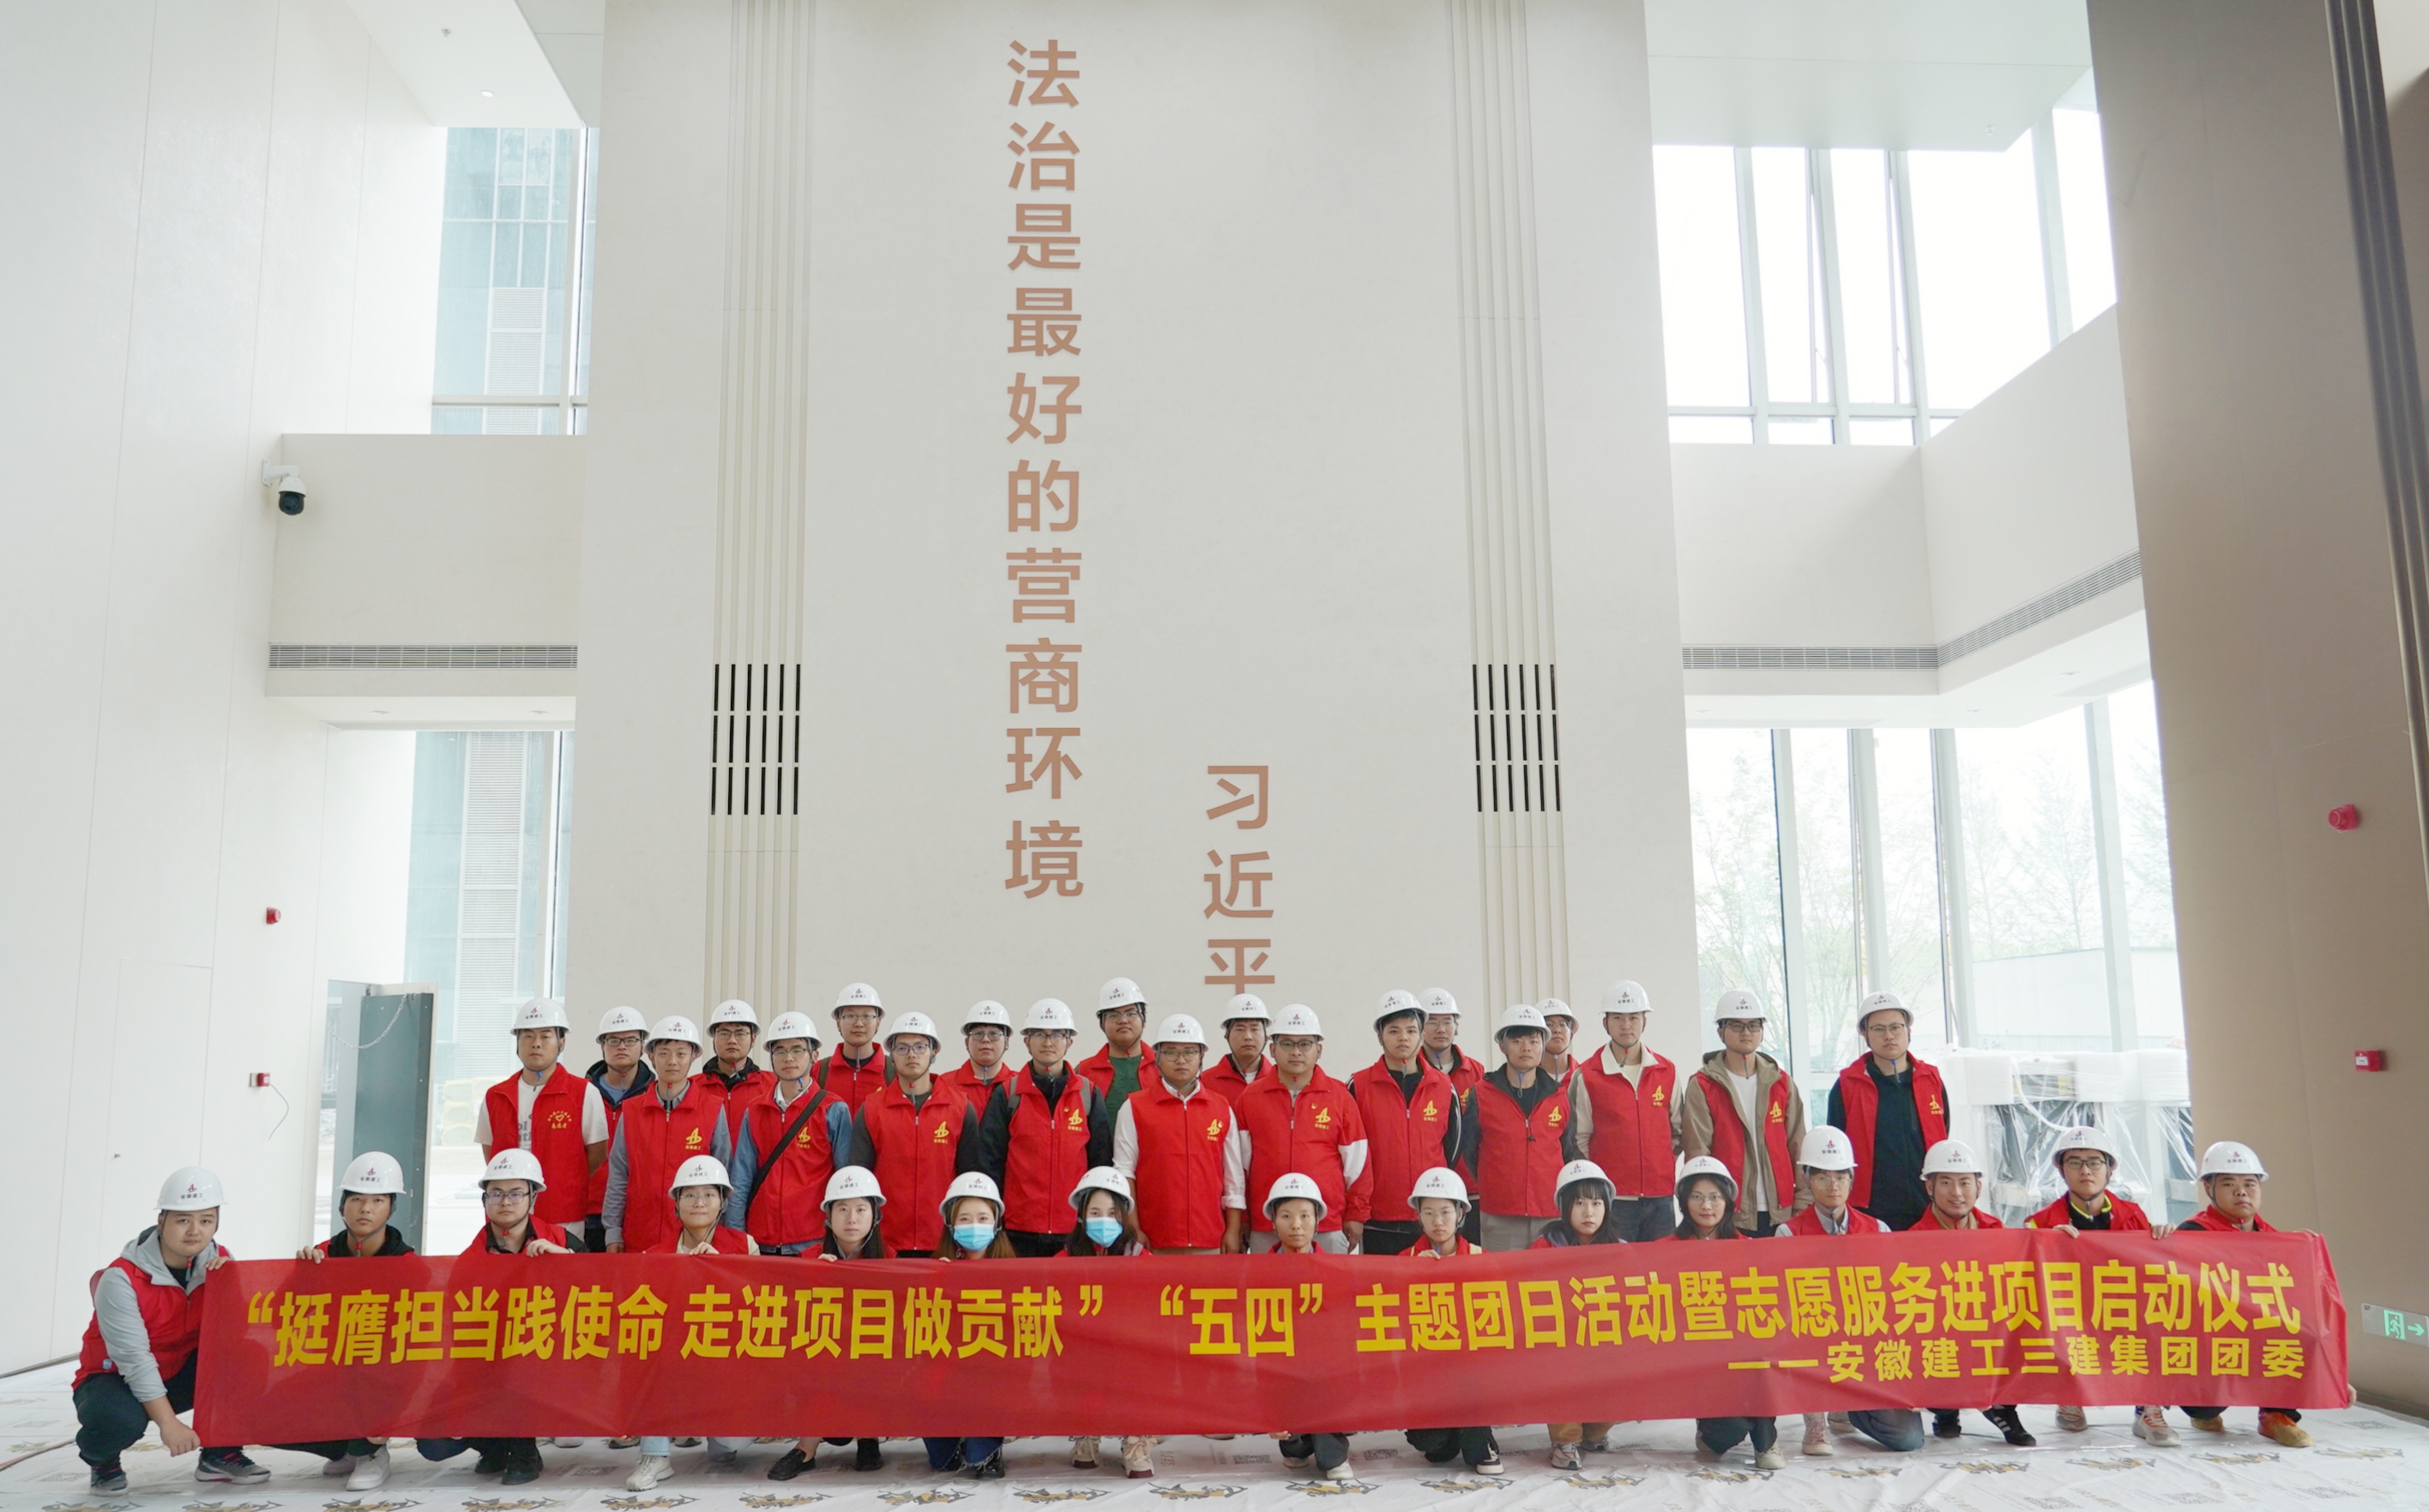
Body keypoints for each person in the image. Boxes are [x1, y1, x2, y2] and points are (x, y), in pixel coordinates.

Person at [73, 1167, 263, 1493]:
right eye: (183, 1220)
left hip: (177, 1370)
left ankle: (220, 1453)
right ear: (161, 1221)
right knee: (117, 1421)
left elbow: (232, 1335)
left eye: (206, 1220)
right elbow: (135, 1359)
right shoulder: (121, 1278)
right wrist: (168, 1423)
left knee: (250, 1356)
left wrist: (231, 1283)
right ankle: (103, 1460)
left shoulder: (220, 1263)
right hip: (114, 1378)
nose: (195, 1231)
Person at [417, 1151, 578, 1485]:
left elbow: (604, 1289)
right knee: (433, 1442)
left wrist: (565, 1259)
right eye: (496, 1193)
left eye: (516, 1193)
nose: (505, 1202)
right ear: (484, 1199)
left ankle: (522, 1449)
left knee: (522, 1371)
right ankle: (496, 1445)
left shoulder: (561, 1241)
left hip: (552, 1361)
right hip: (488, 1367)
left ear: (533, 1197)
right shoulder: (470, 1261)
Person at [2168, 1141, 2336, 1449]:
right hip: (2214, 1332)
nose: (2241, 1192)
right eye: (2229, 1184)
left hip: (2259, 1331)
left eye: (2250, 1184)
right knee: (2203, 1400)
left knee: (2300, 1331)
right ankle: (2203, 1411)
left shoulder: (2274, 1238)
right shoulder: (2192, 1233)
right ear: (2208, 1188)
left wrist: (2301, 1251)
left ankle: (2276, 1413)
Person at [1770, 1129, 1920, 1458]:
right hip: (1813, 1334)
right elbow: (1785, 1304)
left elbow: (1894, 1297)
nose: (1833, 1186)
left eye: (1841, 1177)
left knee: (1908, 1438)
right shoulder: (1788, 1234)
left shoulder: (1878, 1230)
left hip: (1865, 1339)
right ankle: (1816, 1417)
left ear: (1852, 1179)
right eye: (1822, 1177)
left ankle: (1848, 1407)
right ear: (1806, 1179)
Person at [281, 1153, 415, 1490]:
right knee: (268, 1409)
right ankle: (346, 1449)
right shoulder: (321, 1256)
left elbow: (416, 1341)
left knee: (371, 1372)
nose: (365, 1208)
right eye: (356, 1199)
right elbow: (281, 1320)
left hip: (386, 1376)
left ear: (391, 1208)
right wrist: (301, 1278)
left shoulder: (409, 1265)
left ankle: (371, 1451)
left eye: (377, 1200)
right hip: (331, 1370)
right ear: (342, 1206)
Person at [2025, 1125, 2166, 1441]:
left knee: (2159, 1316)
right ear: (2061, 1170)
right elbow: (2025, 1274)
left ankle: (2148, 1407)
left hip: (2121, 1305)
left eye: (2094, 1162)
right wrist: (2046, 1243)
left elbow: (2149, 1271)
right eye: (2074, 1162)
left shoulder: (2134, 1217)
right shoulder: (2041, 1223)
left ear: (2110, 1168)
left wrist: (2164, 1240)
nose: (2085, 1171)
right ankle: (2069, 1395)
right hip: (2070, 1307)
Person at [627, 1156, 756, 1491]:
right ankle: (655, 1455)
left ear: (723, 1202)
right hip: (673, 1363)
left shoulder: (745, 1246)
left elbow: (760, 1307)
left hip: (727, 1363)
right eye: (690, 1195)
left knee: (729, 1447)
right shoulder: (654, 1257)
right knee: (648, 1361)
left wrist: (724, 1271)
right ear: (676, 1203)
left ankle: (714, 1434)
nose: (699, 1203)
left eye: (709, 1195)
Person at [1908, 1140, 2035, 1447]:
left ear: (1978, 1187)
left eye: (1965, 1183)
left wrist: (2057, 1241)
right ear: (1929, 1187)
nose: (1957, 1192)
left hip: (1987, 1331)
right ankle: (1945, 1408)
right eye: (1946, 1183)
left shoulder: (1997, 1232)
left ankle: (2003, 1407)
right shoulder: (1911, 1241)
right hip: (1942, 1336)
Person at [768, 1168, 891, 1478]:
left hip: (870, 1361)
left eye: (861, 1209)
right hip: (824, 1361)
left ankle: (868, 1437)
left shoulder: (890, 1259)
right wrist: (815, 1279)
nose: (852, 1219)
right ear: (828, 1216)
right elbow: (791, 1320)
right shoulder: (809, 1259)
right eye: (843, 1209)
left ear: (875, 1215)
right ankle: (806, 1448)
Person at [972, 997, 1112, 1256]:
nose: (1048, 1042)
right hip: (1018, 1231)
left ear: (1069, 1041)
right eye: (1039, 1034)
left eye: (1057, 1034)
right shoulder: (1008, 1095)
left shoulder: (1088, 1095)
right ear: (1027, 1041)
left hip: (1075, 1231)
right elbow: (989, 1163)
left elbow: (1100, 1162)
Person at [1671, 1157, 1784, 1470]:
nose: (1706, 1205)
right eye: (1697, 1197)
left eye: (1715, 1197)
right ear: (1684, 1202)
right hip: (1695, 1357)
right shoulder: (1663, 1250)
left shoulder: (1749, 1248)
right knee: (1731, 1429)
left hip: (1741, 1352)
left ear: (1728, 1202)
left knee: (1761, 1362)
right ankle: (1714, 1431)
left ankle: (1766, 1442)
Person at [1233, 1004, 1370, 1253]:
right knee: (1269, 1281)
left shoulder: (1340, 1097)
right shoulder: (1250, 1098)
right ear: (1273, 1049)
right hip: (1267, 1225)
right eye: (1287, 1044)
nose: (1296, 1052)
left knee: (1329, 1281)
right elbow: (1239, 1166)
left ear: (1319, 1050)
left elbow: (1358, 1163)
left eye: (1305, 1044)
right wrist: (1242, 1217)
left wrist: (1356, 1214)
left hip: (1327, 1224)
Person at [1111, 1013, 1249, 1253]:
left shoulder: (1221, 1107)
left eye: (1189, 1052)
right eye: (1171, 1052)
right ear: (1157, 1058)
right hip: (1153, 1239)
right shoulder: (1134, 1107)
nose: (1181, 1060)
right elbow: (1124, 1172)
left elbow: (1233, 1177)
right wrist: (1134, 1228)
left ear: (1201, 1056)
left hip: (1211, 1238)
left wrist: (1233, 1230)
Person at [847, 1012, 982, 1256]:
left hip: (944, 1241)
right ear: (891, 1055)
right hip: (885, 1243)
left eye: (920, 1046)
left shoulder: (960, 1107)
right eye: (902, 1048)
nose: (911, 1054)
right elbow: (859, 1180)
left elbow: (970, 1179)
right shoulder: (872, 1109)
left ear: (934, 1051)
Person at [478, 996, 611, 1238]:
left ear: (562, 1042)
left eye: (545, 1036)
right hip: (505, 1215)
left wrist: (566, 1180)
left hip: (563, 1213)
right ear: (517, 1042)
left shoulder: (583, 1093)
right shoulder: (495, 1096)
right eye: (528, 1036)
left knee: (560, 1264)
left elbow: (596, 1153)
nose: (536, 1044)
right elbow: (491, 1153)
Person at [1679, 989, 1808, 1235]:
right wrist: (1705, 1209)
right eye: (1736, 1025)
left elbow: (1798, 1146)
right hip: (1728, 1212)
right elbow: (1698, 1153)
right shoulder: (1703, 1085)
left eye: (1753, 1025)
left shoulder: (1781, 1082)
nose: (1746, 1032)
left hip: (1781, 1210)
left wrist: (1803, 1201)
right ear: (1720, 1032)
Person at [1344, 991, 1462, 1256]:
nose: (1403, 1038)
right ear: (1380, 1036)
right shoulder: (1358, 1086)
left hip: (1430, 1217)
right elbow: (1351, 1155)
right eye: (1394, 1031)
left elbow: (1453, 1148)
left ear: (1422, 1035)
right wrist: (1356, 1210)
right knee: (1381, 1282)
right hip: (1378, 1217)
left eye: (1411, 1031)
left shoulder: (1443, 1086)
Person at [1456, 1003, 1581, 1250]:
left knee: (1547, 1272)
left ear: (1543, 1045)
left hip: (1549, 1211)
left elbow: (1568, 1150)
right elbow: (1469, 1149)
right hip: (1500, 1212)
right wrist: (1495, 1181)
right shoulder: (1481, 1094)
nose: (1526, 1047)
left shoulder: (1559, 1096)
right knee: (1503, 1273)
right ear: (1502, 1046)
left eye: (1534, 1041)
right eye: (1517, 1041)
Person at [726, 1011, 851, 1254]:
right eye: (780, 1051)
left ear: (814, 1055)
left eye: (797, 1049)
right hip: (761, 1241)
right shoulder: (756, 1110)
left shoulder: (833, 1109)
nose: (788, 1058)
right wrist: (737, 1237)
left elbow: (844, 1180)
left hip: (814, 1242)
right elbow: (741, 1178)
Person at [603, 1016, 732, 1253]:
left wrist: (720, 1233)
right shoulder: (631, 1111)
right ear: (651, 1056)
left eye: (681, 1054)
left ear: (694, 1056)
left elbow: (724, 1177)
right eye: (664, 1053)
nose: (672, 1061)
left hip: (694, 1241)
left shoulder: (713, 1108)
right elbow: (618, 1176)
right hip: (639, 1235)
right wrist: (613, 1231)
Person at [1565, 979, 1680, 1243]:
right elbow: (1579, 1139)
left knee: (1662, 1265)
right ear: (1605, 1023)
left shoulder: (1666, 1071)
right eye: (1617, 1018)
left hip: (1660, 1197)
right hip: (1612, 1198)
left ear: (1644, 1021)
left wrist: (1659, 1163)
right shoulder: (1588, 1075)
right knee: (1617, 1265)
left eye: (1633, 1017)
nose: (1626, 1025)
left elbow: (1678, 1130)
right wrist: (1599, 1184)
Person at [1059, 1167, 1155, 1479]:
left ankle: (1136, 1440)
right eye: (1095, 1213)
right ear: (1081, 1216)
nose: (1104, 1220)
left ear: (1124, 1216)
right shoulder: (1064, 1260)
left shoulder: (1141, 1258)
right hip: (1083, 1348)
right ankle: (1087, 1434)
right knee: (1078, 1374)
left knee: (1139, 1374)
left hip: (1129, 1348)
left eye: (1113, 1213)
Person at [1262, 1174, 1356, 1483]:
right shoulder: (1257, 1274)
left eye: (1305, 1216)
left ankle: (1333, 1453)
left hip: (1325, 1372)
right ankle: (1296, 1445)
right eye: (1286, 1216)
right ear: (1273, 1221)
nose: (1296, 1225)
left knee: (1324, 1391)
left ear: (1317, 1221)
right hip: (1280, 1372)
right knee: (1293, 1443)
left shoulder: (1337, 1270)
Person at [1827, 991, 1945, 1234]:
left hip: (1928, 1206)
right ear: (1865, 1034)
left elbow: (1944, 1132)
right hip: (1870, 1210)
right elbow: (1836, 1151)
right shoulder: (1848, 1085)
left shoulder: (1931, 1079)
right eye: (1879, 1029)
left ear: (1908, 1030)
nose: (1889, 1036)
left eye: (1895, 1027)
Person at [1529, 1160, 1621, 1467]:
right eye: (1580, 1203)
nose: (1589, 1212)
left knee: (1632, 1374)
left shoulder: (1621, 1250)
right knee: (1560, 1370)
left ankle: (1593, 1433)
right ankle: (1565, 1441)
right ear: (1565, 1207)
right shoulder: (1544, 1248)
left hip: (1604, 1344)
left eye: (1596, 1203)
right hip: (1560, 1344)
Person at [928, 1173, 1015, 1479]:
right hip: (947, 1375)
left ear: (996, 1223)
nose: (974, 1226)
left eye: (982, 1218)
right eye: (964, 1219)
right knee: (941, 1461)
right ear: (951, 1224)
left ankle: (988, 1441)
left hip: (993, 1379)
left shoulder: (1016, 1273)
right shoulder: (934, 1268)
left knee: (980, 1459)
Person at [585, 1006, 656, 1252]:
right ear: (602, 1046)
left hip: (639, 1214)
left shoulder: (656, 1097)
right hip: (587, 1213)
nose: (622, 1047)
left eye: (630, 1040)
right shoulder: (581, 1094)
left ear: (643, 1045)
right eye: (613, 1040)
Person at [1076, 976, 1151, 1113]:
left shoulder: (1164, 1066)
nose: (1123, 1020)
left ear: (1144, 1018)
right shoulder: (1083, 1072)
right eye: (1113, 1015)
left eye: (1131, 1013)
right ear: (1102, 1023)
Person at [819, 982, 890, 1111]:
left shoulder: (894, 1072)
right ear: (838, 1022)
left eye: (867, 1016)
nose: (859, 1024)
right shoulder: (819, 1072)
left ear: (878, 1022)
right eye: (850, 1016)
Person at [936, 1001, 1016, 1115]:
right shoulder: (944, 1084)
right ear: (966, 1042)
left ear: (1007, 1042)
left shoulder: (1020, 1086)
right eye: (978, 1033)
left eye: (994, 1034)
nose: (985, 1040)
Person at [700, 998, 773, 1122]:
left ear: (753, 1039)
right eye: (724, 1033)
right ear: (714, 1038)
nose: (732, 1041)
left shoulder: (772, 1086)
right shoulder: (693, 1087)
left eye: (740, 1034)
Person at [1199, 993, 1274, 1104]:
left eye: (1255, 1029)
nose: (1248, 1037)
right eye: (1240, 1029)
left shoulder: (1279, 1080)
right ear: (1227, 1035)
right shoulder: (1205, 1082)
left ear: (1266, 1035)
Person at [1418, 987, 1482, 1097]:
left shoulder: (1476, 1071)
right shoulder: (1412, 1069)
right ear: (1419, 1027)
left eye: (1447, 1022)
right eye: (1433, 1023)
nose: (1441, 1030)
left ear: (1456, 1026)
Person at [1537, 998, 1579, 1082]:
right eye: (1549, 1025)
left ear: (1571, 1035)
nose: (1557, 1030)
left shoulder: (1584, 1076)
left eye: (1562, 1024)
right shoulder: (1526, 1079)